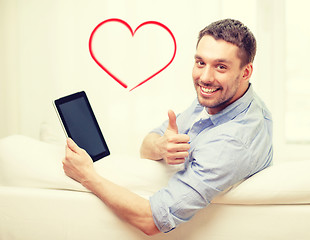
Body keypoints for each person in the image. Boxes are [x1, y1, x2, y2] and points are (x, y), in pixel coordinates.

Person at [62, 19, 273, 235]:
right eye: (200, 62)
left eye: (221, 67)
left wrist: (87, 175)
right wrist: (161, 147)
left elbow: (151, 221)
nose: (205, 78)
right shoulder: (221, 97)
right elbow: (146, 147)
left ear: (246, 72)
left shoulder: (232, 143)